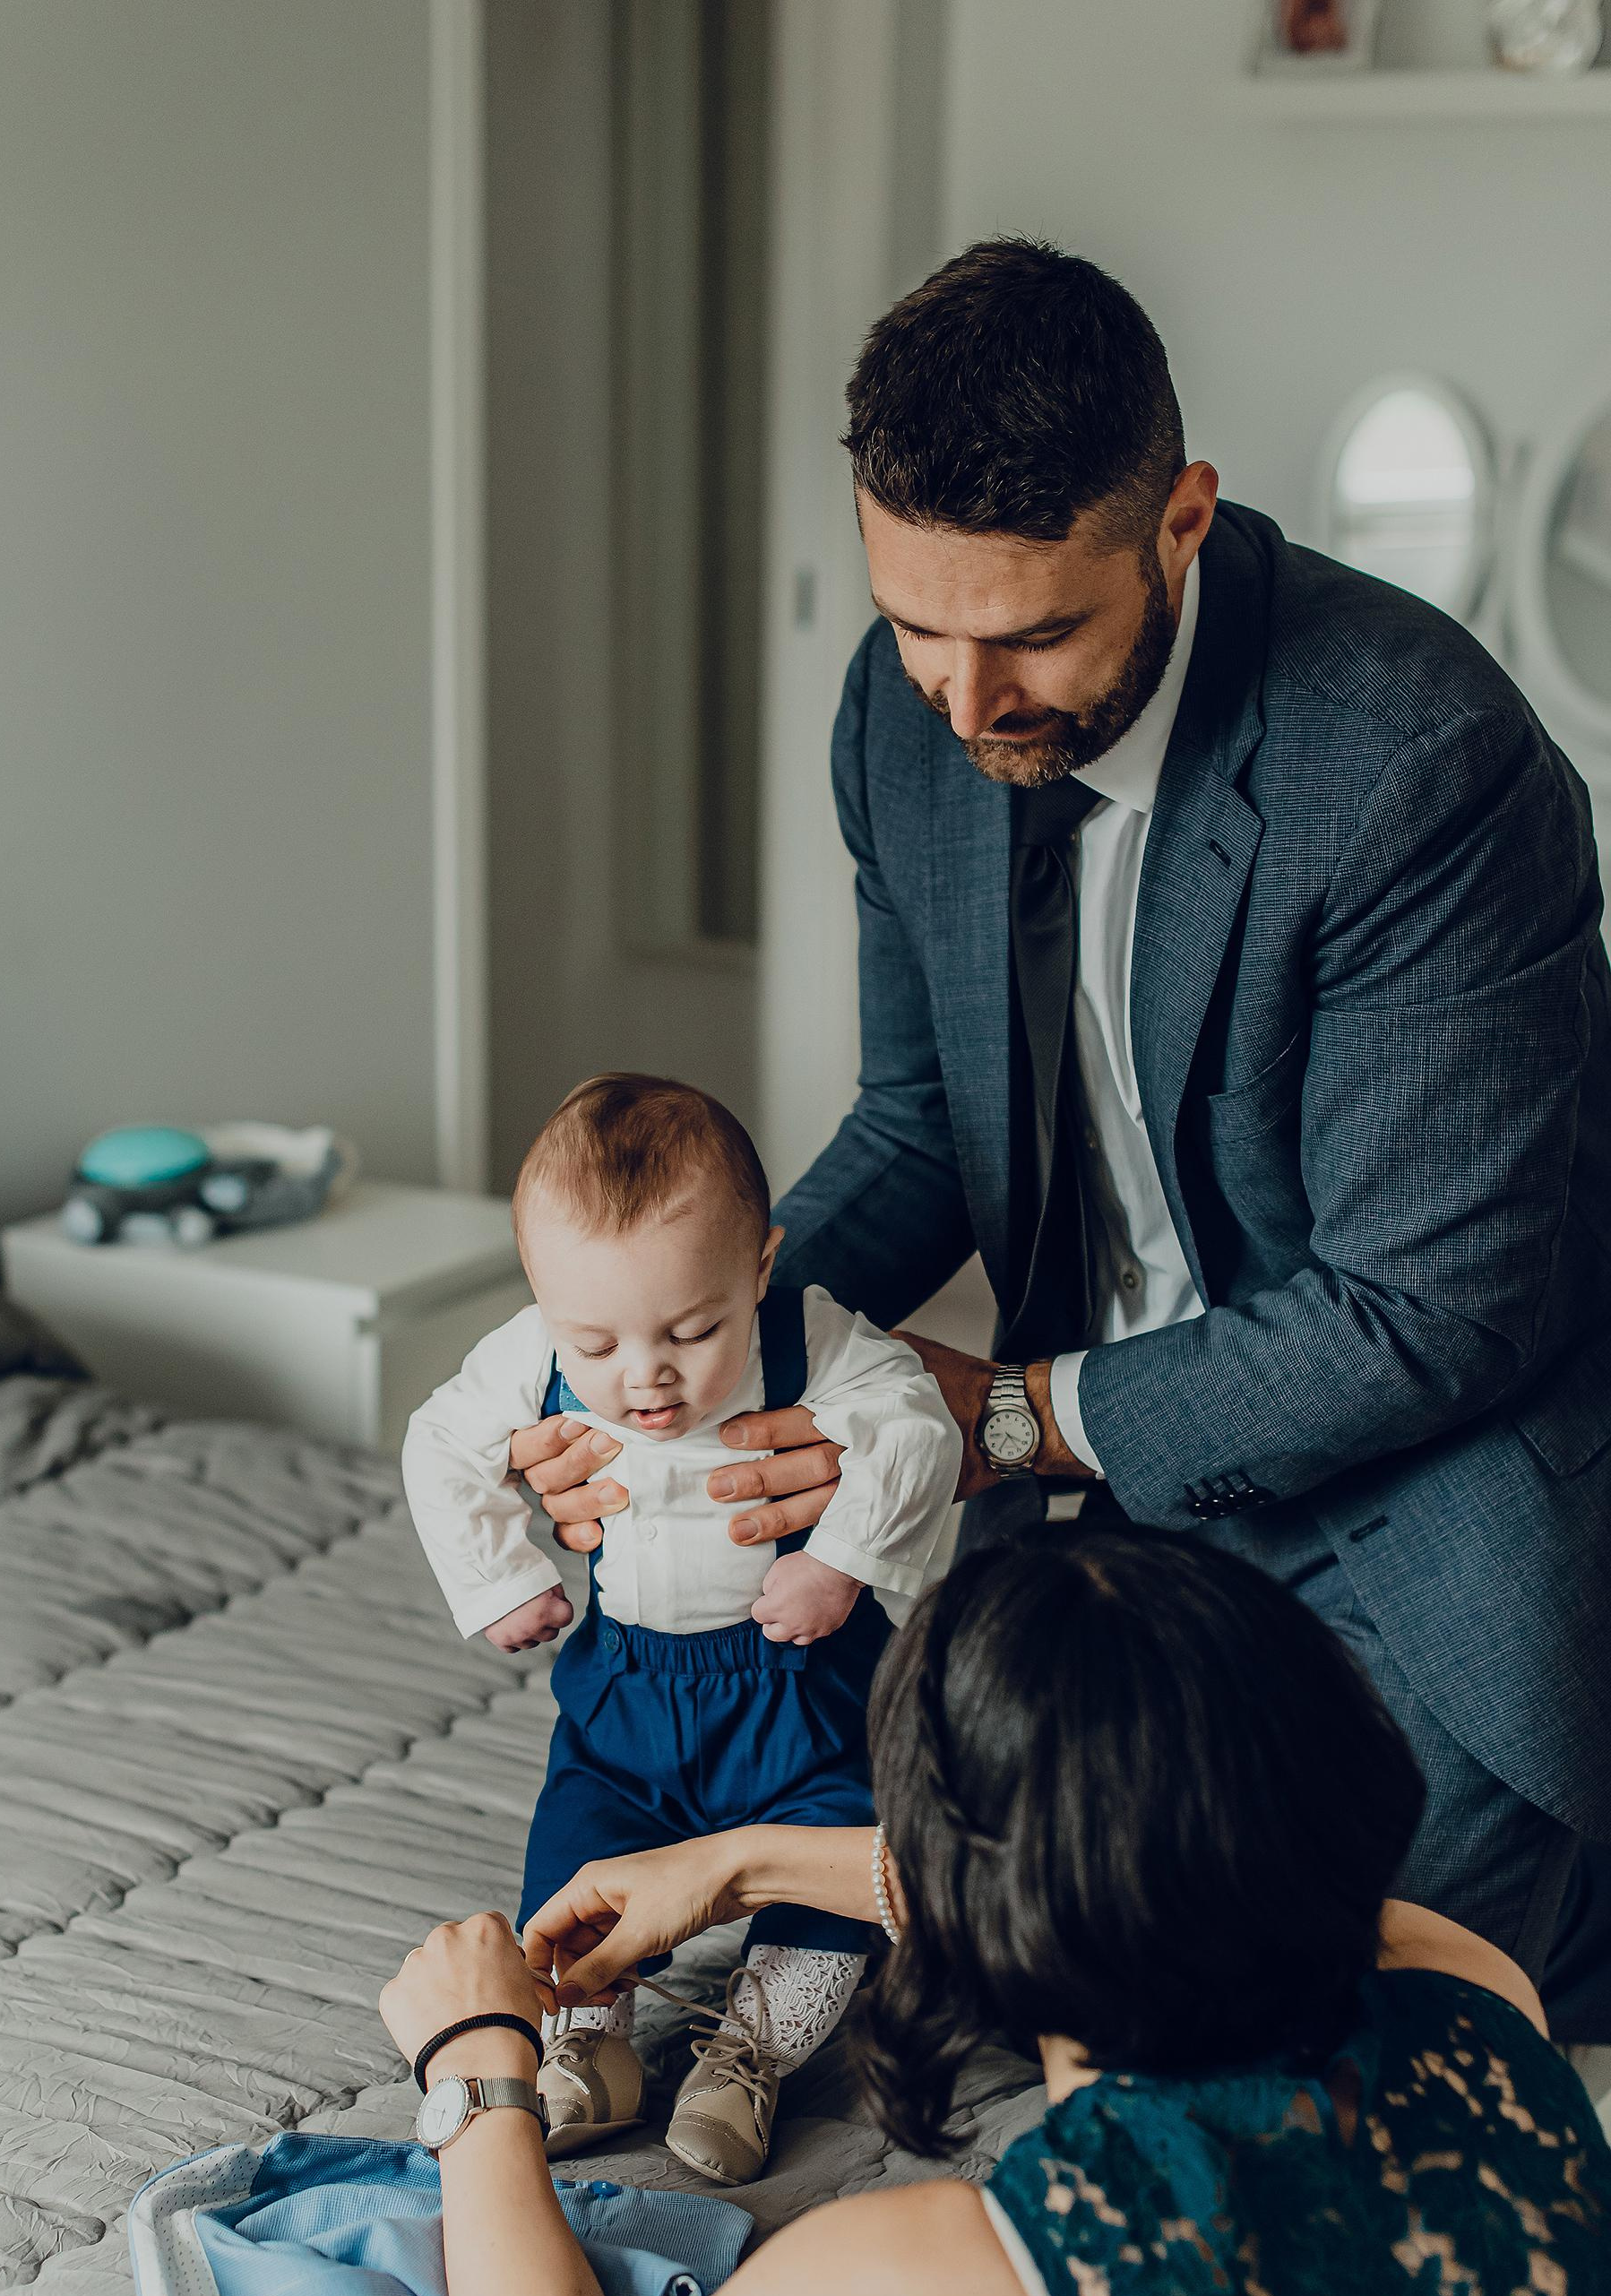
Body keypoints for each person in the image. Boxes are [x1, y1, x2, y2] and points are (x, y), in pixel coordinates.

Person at [513, 238, 1611, 2029]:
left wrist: (1008, 1416)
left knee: (1272, 2026)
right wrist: (659, 1362)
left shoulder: (1420, 764)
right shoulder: (901, 718)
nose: (964, 703)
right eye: (916, 626)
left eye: (1033, 636)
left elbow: (1426, 1318)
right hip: (1095, 1509)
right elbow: (919, 1128)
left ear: (1181, 522)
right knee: (992, 1958)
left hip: (1413, 1514)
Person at [379, 1531, 1611, 2296]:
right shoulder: (1473, 1990)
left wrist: (474, 2063)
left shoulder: (968, 2279)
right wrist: (742, 1859)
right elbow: (1212, 1877)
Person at [401, 1073, 958, 2180]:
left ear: (759, 1267)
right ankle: (590, 2043)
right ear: (542, 1299)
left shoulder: (808, 1337)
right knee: (576, 1841)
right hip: (627, 1690)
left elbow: (915, 1426)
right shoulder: (530, 1352)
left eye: (693, 1329)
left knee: (830, 1849)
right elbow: (440, 1443)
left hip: (799, 1684)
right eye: (593, 1344)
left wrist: (838, 1561)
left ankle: (748, 2055)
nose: (644, 1375)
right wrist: (499, 1575)